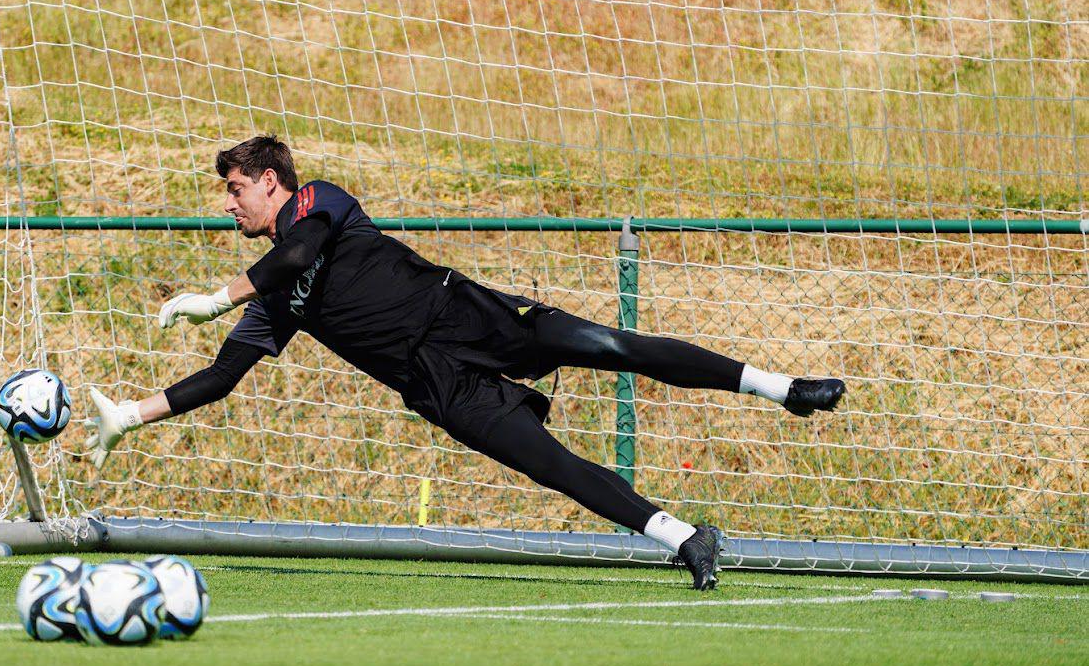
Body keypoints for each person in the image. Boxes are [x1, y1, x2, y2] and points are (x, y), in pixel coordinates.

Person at [85, 135, 845, 590]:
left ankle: (782, 389)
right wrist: (129, 413)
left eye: (235, 188)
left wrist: (217, 295)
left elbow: (301, 250)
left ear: (273, 181)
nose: (229, 204)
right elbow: (220, 377)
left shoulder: (318, 203)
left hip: (466, 315)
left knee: (613, 346)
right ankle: (685, 538)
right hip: (434, 383)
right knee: (547, 462)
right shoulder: (275, 299)